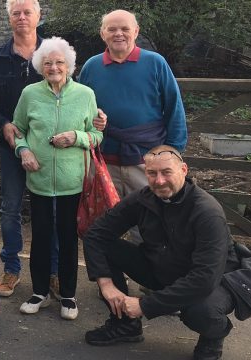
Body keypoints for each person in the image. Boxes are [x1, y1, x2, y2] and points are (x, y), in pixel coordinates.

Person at [82, 145, 251, 360]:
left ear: (184, 169)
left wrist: (144, 305)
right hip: (162, 267)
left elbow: (204, 279)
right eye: (152, 173)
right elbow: (95, 234)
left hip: (212, 281)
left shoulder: (207, 212)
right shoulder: (142, 199)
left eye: (167, 172)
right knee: (106, 246)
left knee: (201, 311)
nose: (159, 180)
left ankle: (213, 337)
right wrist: (106, 285)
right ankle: (125, 325)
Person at [0, 0, 66, 298]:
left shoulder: (53, 54)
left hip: (49, 148)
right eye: (16, 13)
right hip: (11, 147)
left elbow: (71, 92)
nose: (22, 17)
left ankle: (53, 271)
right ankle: (11, 268)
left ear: (39, 17)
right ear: (10, 19)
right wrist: (2, 124)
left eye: (27, 12)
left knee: (51, 210)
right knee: (10, 209)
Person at [11, 37, 102, 320]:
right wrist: (23, 150)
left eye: (59, 62)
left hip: (72, 182)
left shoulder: (85, 94)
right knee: (39, 236)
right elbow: (17, 129)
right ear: (40, 66)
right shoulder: (30, 94)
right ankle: (39, 292)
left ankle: (68, 296)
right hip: (38, 180)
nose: (54, 67)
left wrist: (77, 137)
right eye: (48, 63)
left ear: (69, 65)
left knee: (67, 237)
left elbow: (96, 135)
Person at [77, 9, 186, 244]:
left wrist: (172, 154)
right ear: (102, 33)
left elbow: (174, 108)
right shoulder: (91, 67)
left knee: (150, 226)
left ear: (136, 31)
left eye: (125, 28)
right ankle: (108, 280)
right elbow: (77, 110)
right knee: (103, 226)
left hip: (146, 161)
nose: (119, 34)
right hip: (103, 162)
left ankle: (148, 280)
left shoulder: (155, 63)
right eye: (112, 29)